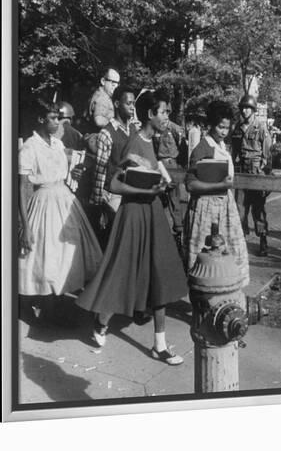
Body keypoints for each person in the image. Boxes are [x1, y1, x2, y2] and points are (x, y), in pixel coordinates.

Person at [76, 90, 188, 366]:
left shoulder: (154, 142)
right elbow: (113, 185)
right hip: (133, 216)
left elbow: (149, 178)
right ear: (150, 114)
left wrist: (158, 188)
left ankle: (159, 345)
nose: (167, 117)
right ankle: (102, 319)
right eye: (164, 112)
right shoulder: (133, 143)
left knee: (159, 274)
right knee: (121, 272)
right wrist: (142, 193)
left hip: (152, 214)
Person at [18, 101, 102, 315]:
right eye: (53, 118)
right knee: (47, 255)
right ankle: (45, 307)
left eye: (58, 117)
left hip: (65, 200)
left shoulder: (56, 144)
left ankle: (59, 304)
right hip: (44, 202)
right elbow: (23, 188)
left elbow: (63, 168)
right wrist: (25, 227)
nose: (58, 122)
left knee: (67, 253)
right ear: (40, 120)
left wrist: (73, 173)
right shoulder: (30, 147)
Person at [184, 100, 249, 286]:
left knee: (226, 254)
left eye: (227, 128)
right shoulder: (203, 148)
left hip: (224, 206)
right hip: (206, 208)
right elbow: (190, 184)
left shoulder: (222, 146)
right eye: (220, 127)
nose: (224, 131)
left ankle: (227, 292)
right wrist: (218, 185)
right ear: (211, 124)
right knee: (206, 257)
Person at [89, 85, 137, 248]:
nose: (132, 107)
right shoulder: (106, 134)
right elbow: (100, 172)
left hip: (134, 193)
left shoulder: (134, 130)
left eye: (133, 103)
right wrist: (99, 206)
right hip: (113, 197)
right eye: (128, 103)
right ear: (116, 104)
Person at [231, 94, 272, 256]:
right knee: (240, 208)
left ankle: (263, 240)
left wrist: (264, 168)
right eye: (243, 108)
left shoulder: (260, 127)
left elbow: (267, 151)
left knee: (258, 208)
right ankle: (242, 241)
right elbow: (233, 149)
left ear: (253, 110)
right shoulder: (237, 127)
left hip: (256, 171)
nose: (245, 110)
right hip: (241, 170)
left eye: (248, 108)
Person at [152, 105, 188, 253]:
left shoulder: (175, 129)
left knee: (174, 199)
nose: (165, 115)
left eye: (167, 112)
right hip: (159, 164)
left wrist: (180, 167)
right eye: (163, 112)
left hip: (172, 164)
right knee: (159, 198)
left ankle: (178, 231)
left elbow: (183, 149)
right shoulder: (156, 127)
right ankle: (161, 232)